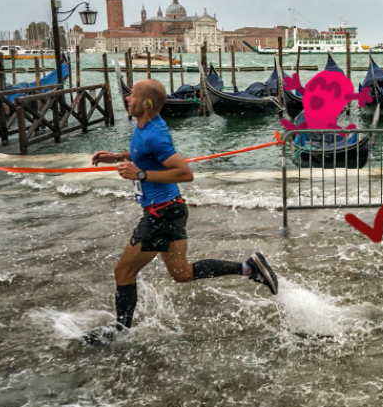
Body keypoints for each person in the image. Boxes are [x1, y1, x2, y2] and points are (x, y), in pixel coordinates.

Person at [83, 79, 278, 345]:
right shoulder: (144, 128)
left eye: (132, 95)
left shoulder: (156, 134)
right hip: (172, 210)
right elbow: (144, 153)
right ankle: (248, 268)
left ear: (147, 103)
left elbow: (185, 173)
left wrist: (139, 173)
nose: (127, 98)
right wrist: (118, 157)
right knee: (182, 273)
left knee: (123, 272)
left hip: (160, 215)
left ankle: (119, 333)